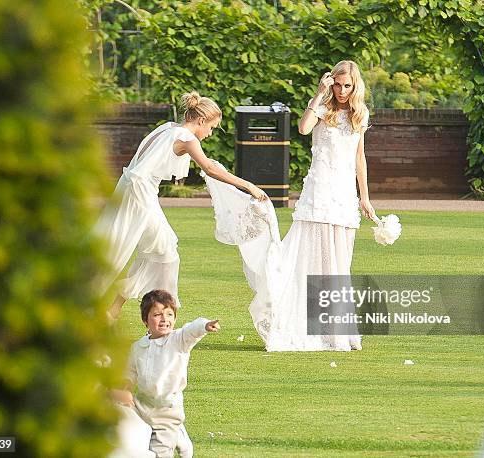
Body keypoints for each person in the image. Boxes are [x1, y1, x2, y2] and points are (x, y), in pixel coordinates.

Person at [202, 60, 374, 351]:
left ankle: (337, 330)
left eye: (348, 86)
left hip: (344, 194)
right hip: (319, 190)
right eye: (338, 84)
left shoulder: (360, 114)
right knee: (310, 256)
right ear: (331, 82)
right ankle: (298, 323)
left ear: (355, 86)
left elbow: (360, 157)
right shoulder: (321, 106)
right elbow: (304, 128)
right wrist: (319, 94)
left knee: (340, 261)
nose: (342, 90)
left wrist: (365, 196)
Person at [94, 92, 267, 321]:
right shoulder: (187, 137)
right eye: (212, 128)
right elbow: (210, 169)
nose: (210, 134)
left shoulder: (168, 128)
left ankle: (118, 311)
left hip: (136, 189)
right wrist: (249, 186)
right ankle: (156, 312)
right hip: (140, 193)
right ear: (201, 120)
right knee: (127, 248)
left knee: (163, 251)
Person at [110, 289, 220, 458]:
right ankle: (178, 434)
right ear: (145, 320)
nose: (164, 319)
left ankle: (174, 433)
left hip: (167, 409)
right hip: (142, 405)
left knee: (159, 451)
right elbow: (130, 372)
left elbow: (191, 330)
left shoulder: (178, 340)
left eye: (169, 314)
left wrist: (204, 326)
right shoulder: (138, 347)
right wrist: (125, 389)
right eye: (157, 314)